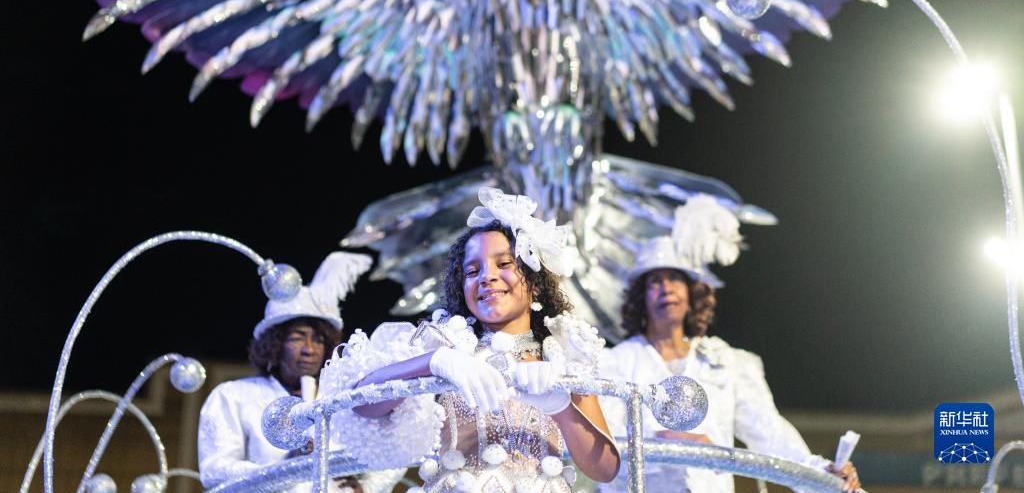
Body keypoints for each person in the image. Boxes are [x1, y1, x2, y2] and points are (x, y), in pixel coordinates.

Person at [320, 187, 621, 493]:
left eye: (504, 264)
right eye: (472, 271)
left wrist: (560, 406)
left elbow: (605, 469)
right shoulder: (447, 345)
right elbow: (362, 405)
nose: (486, 277)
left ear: (536, 283)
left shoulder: (565, 354)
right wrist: (433, 362)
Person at [598, 195, 860, 493]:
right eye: (654, 281)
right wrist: (674, 442)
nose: (666, 288)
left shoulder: (727, 362)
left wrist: (821, 473)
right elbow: (604, 446)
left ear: (692, 293)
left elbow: (767, 431)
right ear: (640, 296)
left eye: (675, 278)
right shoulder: (615, 363)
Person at [198, 251, 405, 493]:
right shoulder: (233, 396)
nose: (309, 349)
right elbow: (214, 471)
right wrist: (288, 468)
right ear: (274, 343)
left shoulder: (344, 399)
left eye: (318, 340)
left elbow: (395, 451)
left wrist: (367, 488)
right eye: (297, 338)